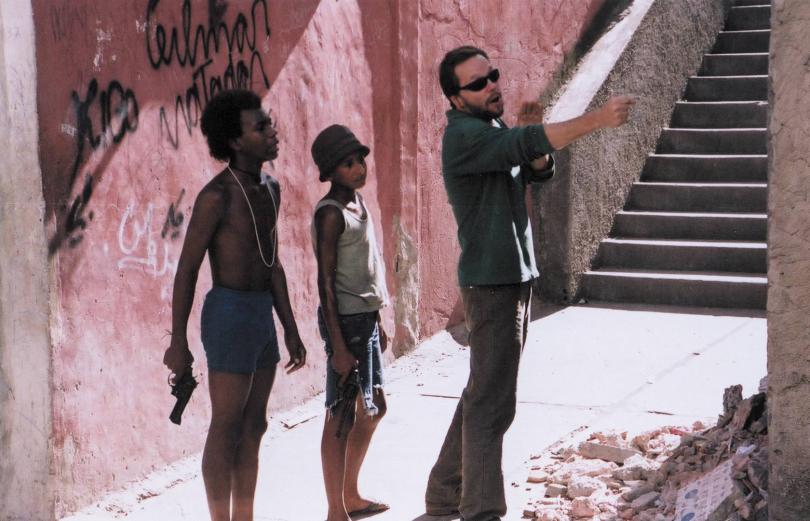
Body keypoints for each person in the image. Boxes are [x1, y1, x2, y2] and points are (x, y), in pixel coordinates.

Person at [425, 46, 634, 521]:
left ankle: (443, 491)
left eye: (492, 75)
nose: (491, 85)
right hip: (491, 283)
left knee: (484, 391)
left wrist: (532, 144)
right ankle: (481, 511)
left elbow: (535, 170)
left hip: (510, 277)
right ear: (456, 99)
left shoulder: (492, 129)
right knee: (493, 405)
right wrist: (596, 119)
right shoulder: (463, 136)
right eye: (477, 84)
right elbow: (525, 146)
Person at [163, 89, 307, 521]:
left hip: (262, 312)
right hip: (228, 312)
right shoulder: (216, 196)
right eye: (260, 127)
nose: (271, 131)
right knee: (226, 425)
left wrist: (291, 328)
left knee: (255, 426)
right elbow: (187, 269)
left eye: (269, 123)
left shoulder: (271, 187)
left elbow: (273, 262)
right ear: (235, 141)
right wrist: (177, 341)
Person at [310, 125, 391, 521]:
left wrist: (379, 319)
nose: (358, 167)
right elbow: (325, 284)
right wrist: (339, 346)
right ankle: (334, 510)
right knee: (341, 413)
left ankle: (350, 494)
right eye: (347, 163)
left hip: (366, 320)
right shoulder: (330, 214)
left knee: (375, 409)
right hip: (344, 323)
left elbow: (366, 268)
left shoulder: (358, 204)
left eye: (360, 159)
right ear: (329, 172)